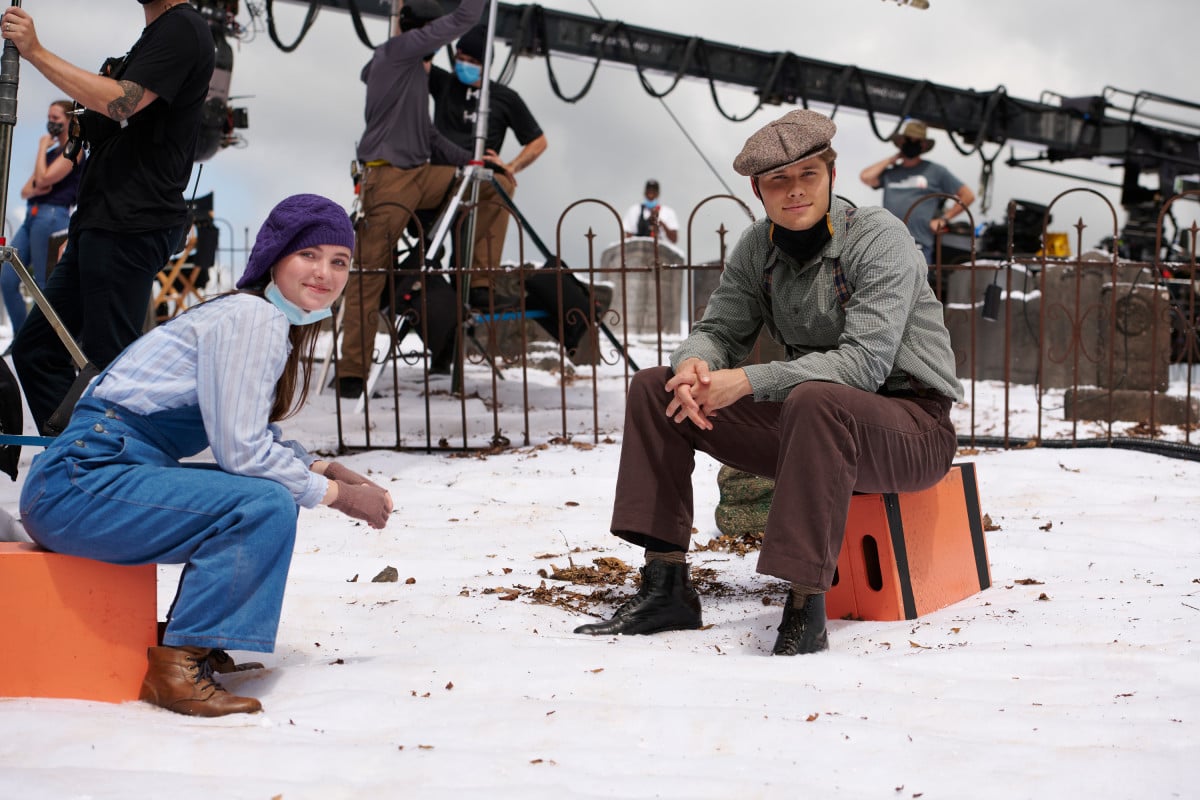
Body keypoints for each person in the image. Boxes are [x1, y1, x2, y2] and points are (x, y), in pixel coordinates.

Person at [573, 109, 963, 655]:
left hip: (910, 428)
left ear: (831, 174)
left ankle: (805, 605)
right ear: (758, 189)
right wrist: (693, 366)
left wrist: (748, 381)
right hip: (815, 429)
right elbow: (718, 329)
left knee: (817, 399)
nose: (795, 191)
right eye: (778, 180)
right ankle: (666, 588)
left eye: (808, 174)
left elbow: (863, 366)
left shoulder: (877, 237)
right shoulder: (759, 247)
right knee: (654, 388)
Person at [17, 195, 395, 717]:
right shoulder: (254, 320)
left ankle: (197, 636)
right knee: (262, 504)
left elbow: (243, 427)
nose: (324, 272)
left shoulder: (255, 317)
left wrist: (320, 466)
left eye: (339, 261)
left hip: (90, 476)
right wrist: (334, 496)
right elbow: (242, 449)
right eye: (309, 254)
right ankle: (178, 667)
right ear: (275, 256)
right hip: (80, 482)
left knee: (264, 497)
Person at [2, 1, 215, 435]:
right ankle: (77, 459)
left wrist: (35, 50)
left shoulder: (184, 28)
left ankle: (123, 473)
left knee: (112, 369)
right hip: (99, 222)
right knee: (37, 350)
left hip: (131, 222)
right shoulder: (153, 37)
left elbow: (122, 103)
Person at [338, 0, 501, 399]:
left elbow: (427, 136)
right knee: (369, 273)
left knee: (491, 189)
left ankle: (475, 280)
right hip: (388, 176)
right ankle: (351, 373)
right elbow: (464, 18)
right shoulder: (397, 51)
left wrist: (473, 162)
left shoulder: (410, 72)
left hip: (419, 174)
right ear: (418, 30)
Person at [429, 23, 548, 302]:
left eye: (472, 61)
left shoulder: (504, 98)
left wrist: (513, 165)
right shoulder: (444, 83)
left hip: (482, 179)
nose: (464, 65)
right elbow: (415, 56)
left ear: (485, 65)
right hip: (443, 173)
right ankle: (426, 270)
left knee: (501, 184)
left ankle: (477, 282)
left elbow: (539, 141)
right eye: (460, 58)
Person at [2, 99, 85, 344]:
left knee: (41, 282)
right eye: (49, 117)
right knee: (7, 278)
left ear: (69, 121)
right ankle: (21, 337)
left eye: (56, 118)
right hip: (32, 216)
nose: (51, 122)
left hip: (52, 216)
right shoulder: (50, 154)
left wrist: (40, 148)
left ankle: (44, 341)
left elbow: (45, 179)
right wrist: (41, 176)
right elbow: (28, 190)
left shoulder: (74, 150)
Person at [858, 119, 976, 263]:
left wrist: (944, 219)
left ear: (924, 145)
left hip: (918, 245)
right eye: (908, 140)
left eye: (917, 141)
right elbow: (866, 177)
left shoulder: (936, 171)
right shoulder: (891, 173)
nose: (912, 144)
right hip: (888, 245)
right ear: (901, 142)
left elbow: (967, 195)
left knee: (915, 284)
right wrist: (892, 159)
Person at [623, 179, 679, 244]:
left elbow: (674, 239)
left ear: (658, 194)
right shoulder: (634, 210)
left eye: (654, 192)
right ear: (645, 193)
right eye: (649, 192)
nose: (651, 195)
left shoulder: (668, 212)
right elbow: (628, 236)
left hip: (661, 250)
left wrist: (660, 223)